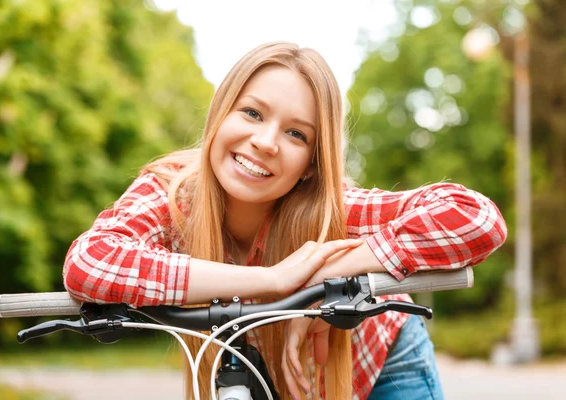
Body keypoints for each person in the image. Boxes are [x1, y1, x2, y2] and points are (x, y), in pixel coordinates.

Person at [63, 41, 507, 400]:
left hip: (379, 365)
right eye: (252, 113)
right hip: (248, 373)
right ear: (220, 116)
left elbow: (475, 218)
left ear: (312, 163)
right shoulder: (171, 194)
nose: (266, 142)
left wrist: (324, 274)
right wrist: (272, 280)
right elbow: (90, 262)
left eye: (296, 134)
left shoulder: (329, 206)